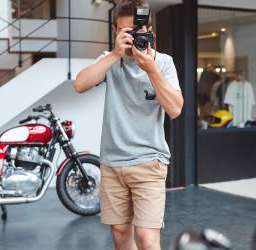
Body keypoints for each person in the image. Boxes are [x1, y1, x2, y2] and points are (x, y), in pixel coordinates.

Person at [74, 0, 184, 249]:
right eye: (127, 32)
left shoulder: (163, 62)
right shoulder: (111, 60)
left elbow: (175, 109)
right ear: (116, 32)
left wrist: (152, 70)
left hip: (149, 161)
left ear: (149, 29)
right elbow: (80, 84)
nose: (134, 37)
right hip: (112, 163)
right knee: (120, 231)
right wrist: (114, 54)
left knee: (146, 237)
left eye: (138, 31)